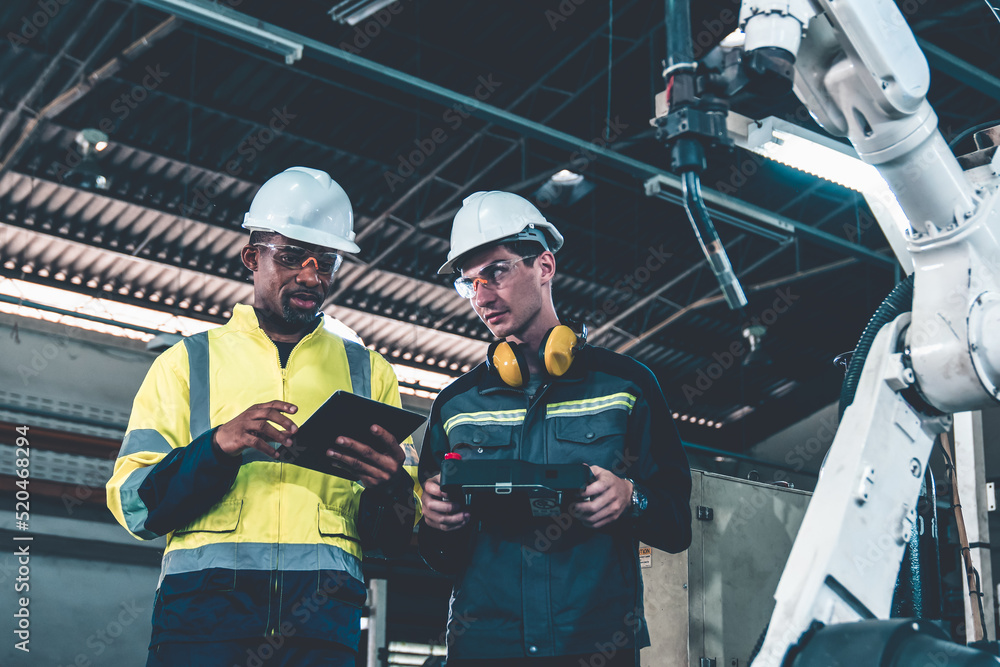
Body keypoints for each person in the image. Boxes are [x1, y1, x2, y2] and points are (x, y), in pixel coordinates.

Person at [107, 167, 421, 666]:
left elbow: (398, 535)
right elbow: (137, 507)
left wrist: (392, 489)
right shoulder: (187, 364)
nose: (311, 276)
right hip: (201, 628)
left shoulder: (370, 373)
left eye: (327, 262)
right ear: (253, 257)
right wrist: (217, 448)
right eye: (292, 256)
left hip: (321, 634)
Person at [417, 191, 692, 667]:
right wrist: (436, 523)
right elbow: (436, 555)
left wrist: (632, 497)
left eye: (496, 272)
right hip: (485, 649)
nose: (481, 297)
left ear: (544, 266)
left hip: (595, 646)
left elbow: (676, 524)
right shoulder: (455, 405)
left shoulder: (628, 385)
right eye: (469, 283)